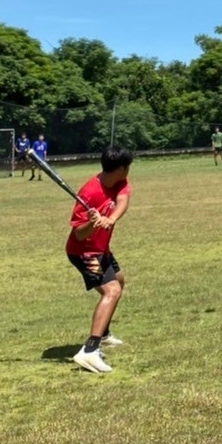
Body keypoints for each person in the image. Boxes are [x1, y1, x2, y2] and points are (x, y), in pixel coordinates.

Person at [67, 146, 134, 374]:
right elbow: (79, 233)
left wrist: (110, 218)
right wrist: (92, 222)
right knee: (111, 291)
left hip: (101, 248)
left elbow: (123, 200)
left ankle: (103, 333)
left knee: (119, 280)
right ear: (122, 168)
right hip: (84, 252)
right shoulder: (89, 192)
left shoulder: (119, 181)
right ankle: (89, 351)